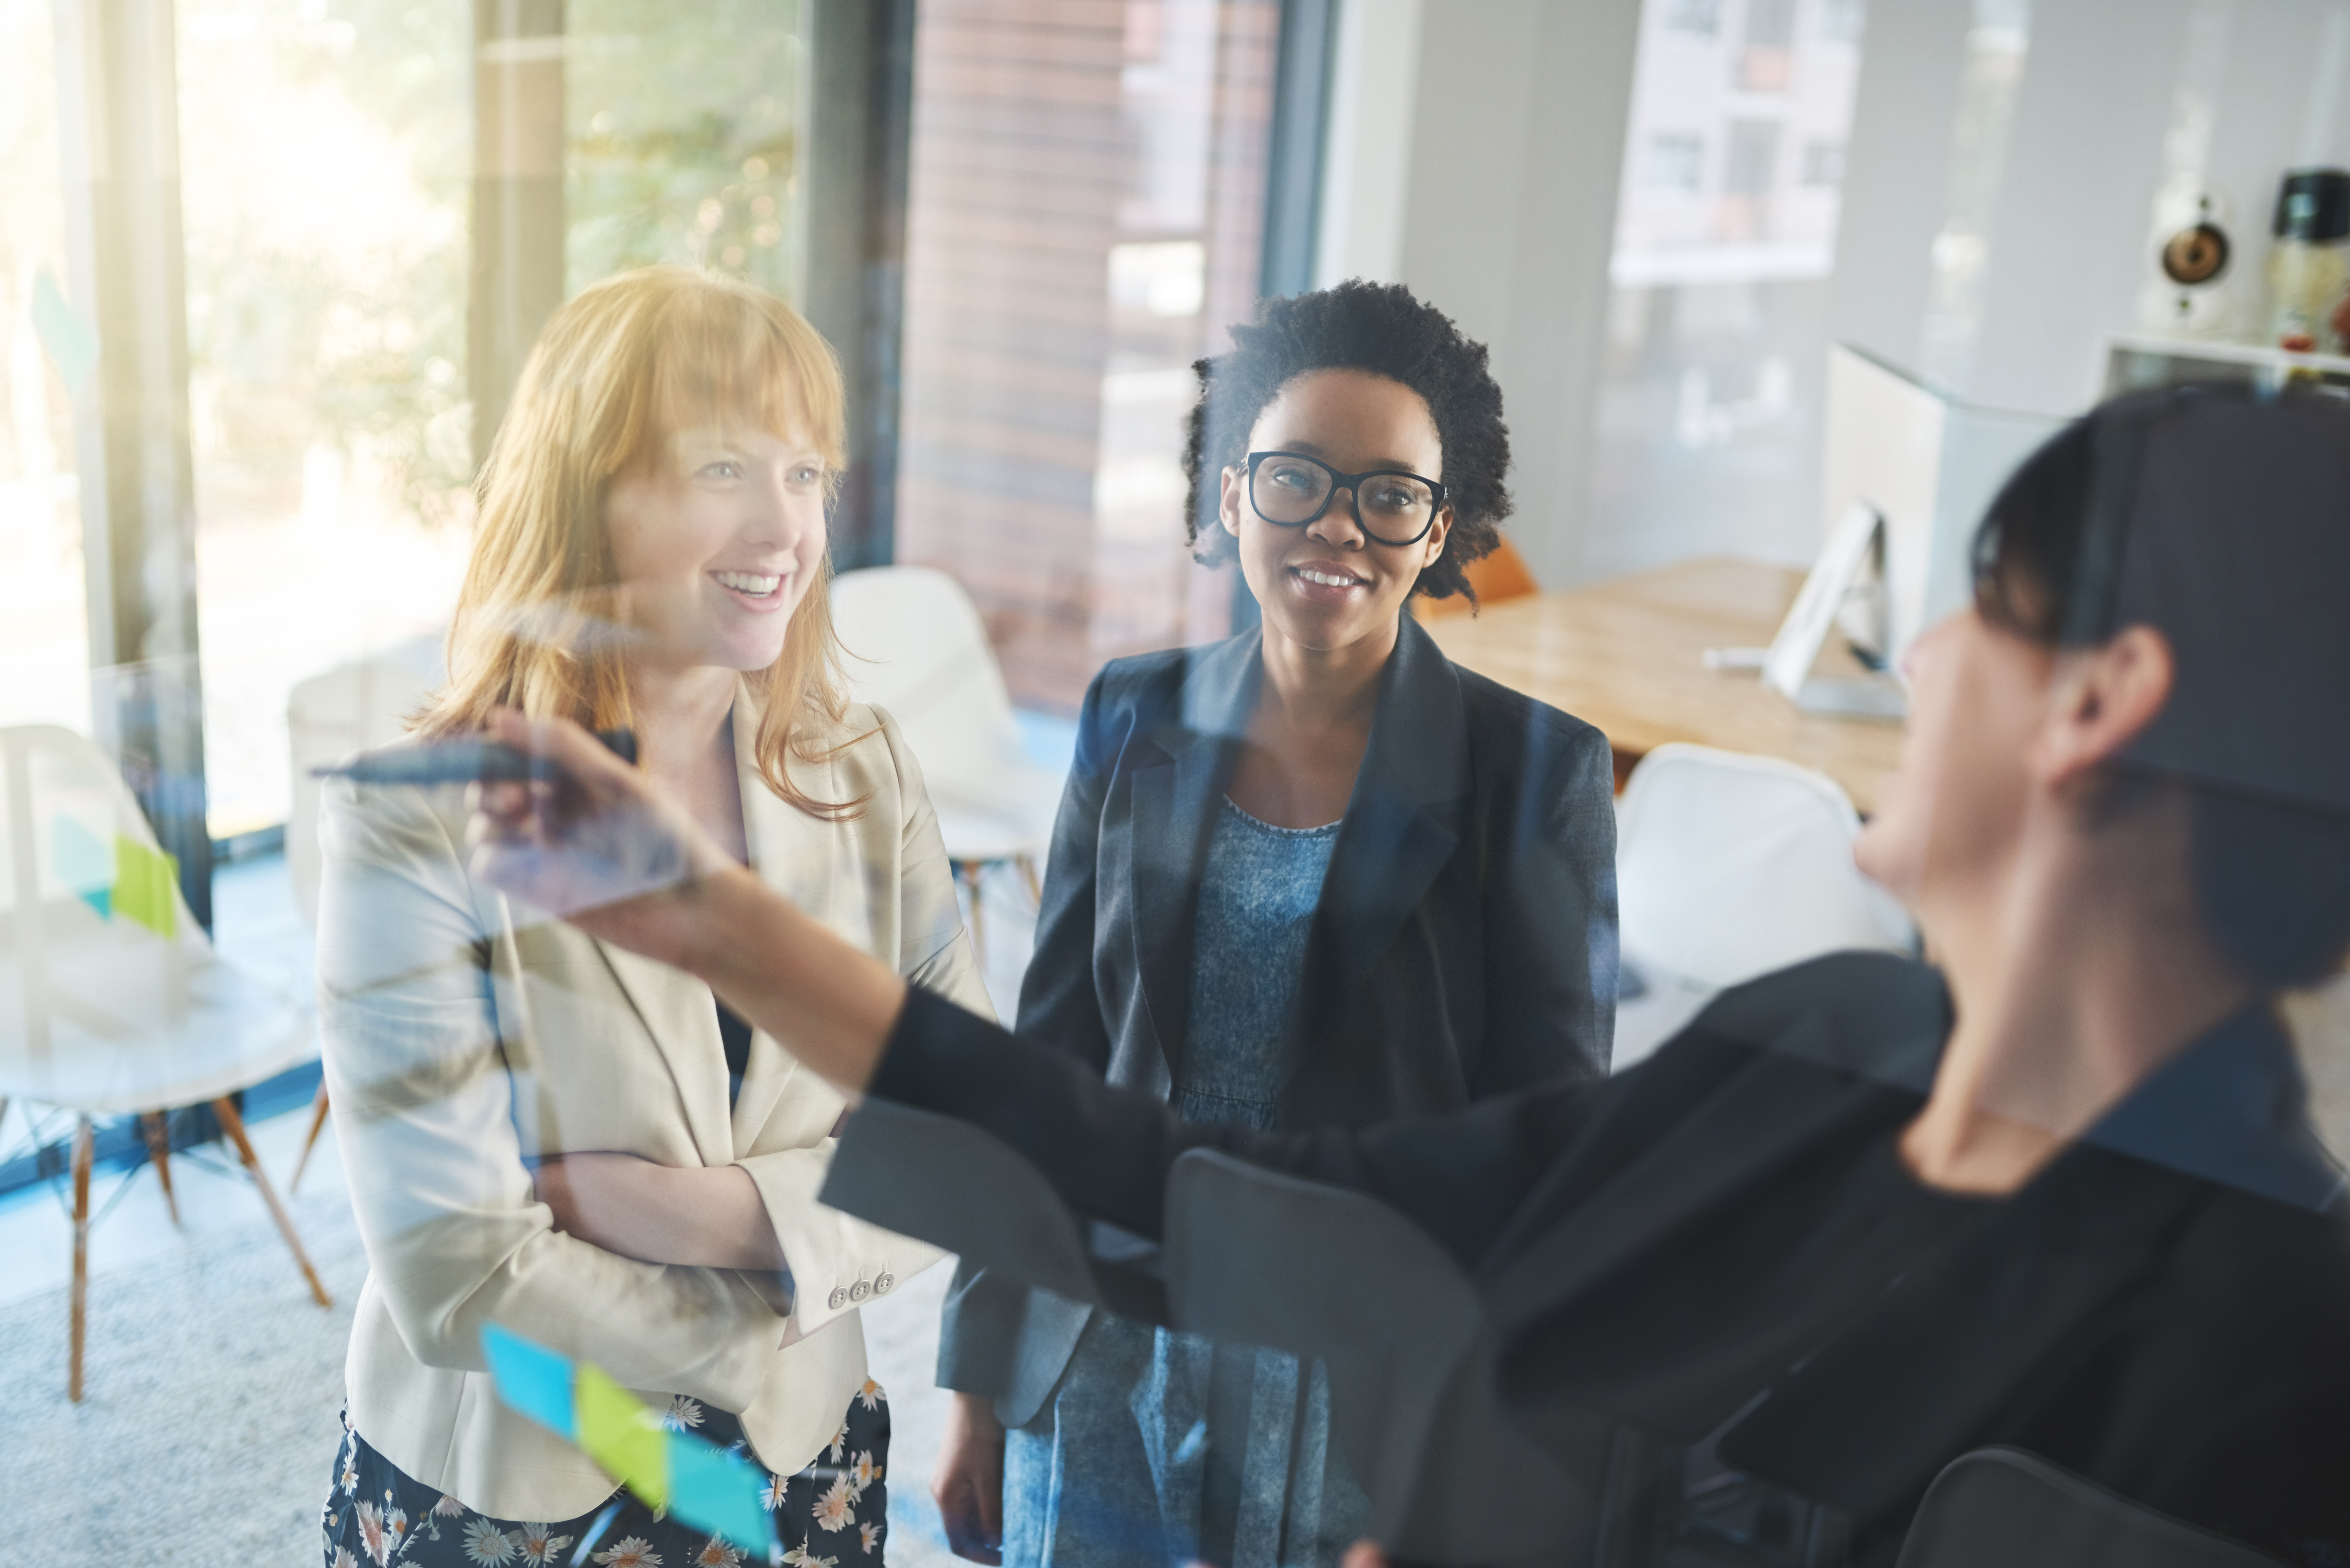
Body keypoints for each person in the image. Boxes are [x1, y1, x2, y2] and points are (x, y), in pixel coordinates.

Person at [468, 383, 2350, 1567]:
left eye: (1982, 603)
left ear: (2099, 705)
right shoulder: (1819, 1048)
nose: (1919, 648)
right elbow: (1205, 1192)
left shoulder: (2279, 1350)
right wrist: (709, 917)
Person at [928, 280, 1619, 1568]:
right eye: (1296, 477)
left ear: (1439, 528)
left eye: (1389, 494)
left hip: (1351, 1398)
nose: (1340, 526)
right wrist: (977, 1381)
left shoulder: (1533, 770)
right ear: (1234, 493)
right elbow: (1049, 1064)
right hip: (1107, 1353)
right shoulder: (1133, 713)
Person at [314, 266, 992, 1568]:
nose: (785, 527)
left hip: (808, 1460)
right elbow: (455, 1276)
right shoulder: (416, 819)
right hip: (520, 1486)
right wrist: (774, 1303)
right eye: (724, 468)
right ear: (588, 495)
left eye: (807, 474)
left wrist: (709, 1218)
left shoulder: (862, 769)